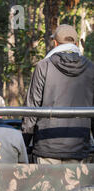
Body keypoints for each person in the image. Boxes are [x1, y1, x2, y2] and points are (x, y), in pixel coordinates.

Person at [22, 24, 94, 164]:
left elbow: (32, 109)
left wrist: (24, 142)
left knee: (47, 186)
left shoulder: (44, 66)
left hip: (46, 146)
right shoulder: (91, 68)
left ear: (55, 43)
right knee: (77, 186)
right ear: (76, 43)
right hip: (78, 146)